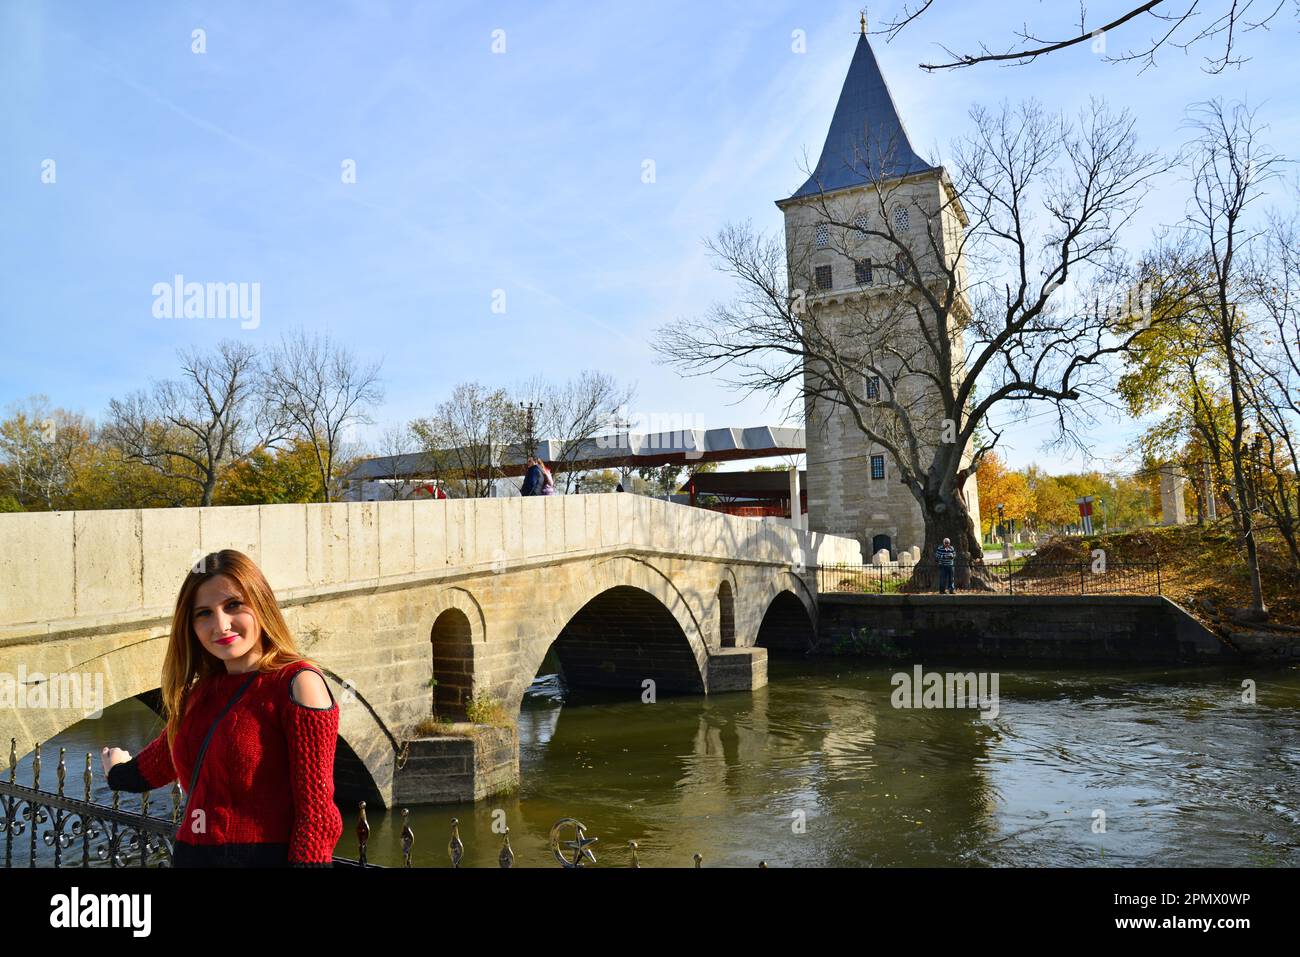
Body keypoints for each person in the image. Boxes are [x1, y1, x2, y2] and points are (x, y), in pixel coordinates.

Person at [100, 549, 343, 867]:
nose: (221, 625)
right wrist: (117, 771)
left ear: (261, 604)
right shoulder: (199, 694)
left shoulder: (298, 682)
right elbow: (162, 761)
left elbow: (317, 816)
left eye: (233, 605)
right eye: (204, 613)